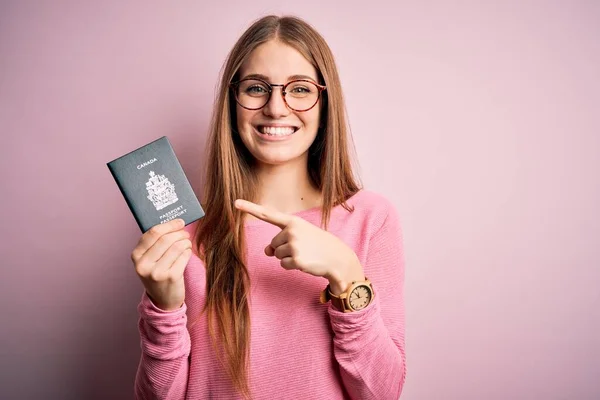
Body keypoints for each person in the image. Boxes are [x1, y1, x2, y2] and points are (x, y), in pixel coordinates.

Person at [131, 14, 406, 400]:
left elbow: (381, 394)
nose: (276, 108)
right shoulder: (183, 235)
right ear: (233, 101)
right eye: (257, 87)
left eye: (299, 89)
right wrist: (163, 307)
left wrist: (346, 275)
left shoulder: (370, 219)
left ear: (325, 103)